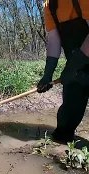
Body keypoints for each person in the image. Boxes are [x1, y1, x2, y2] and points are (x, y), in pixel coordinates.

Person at [37, 0, 89, 144]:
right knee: (66, 120)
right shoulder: (49, 6)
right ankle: (61, 141)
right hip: (77, 65)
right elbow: (54, 40)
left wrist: (73, 66)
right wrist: (48, 74)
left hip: (78, 61)